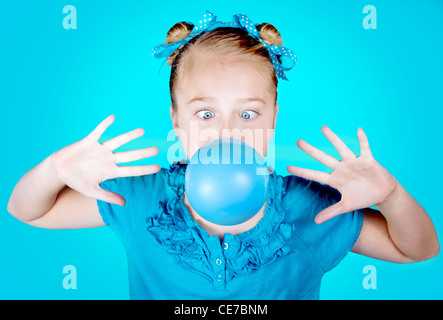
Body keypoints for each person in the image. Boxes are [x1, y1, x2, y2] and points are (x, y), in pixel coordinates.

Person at [7, 11, 439, 299]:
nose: (228, 130)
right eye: (206, 113)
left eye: (248, 113)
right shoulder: (140, 197)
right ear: (176, 120)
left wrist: (392, 196)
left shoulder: (314, 207)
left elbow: (416, 250)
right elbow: (30, 211)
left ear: (273, 120)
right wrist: (55, 168)